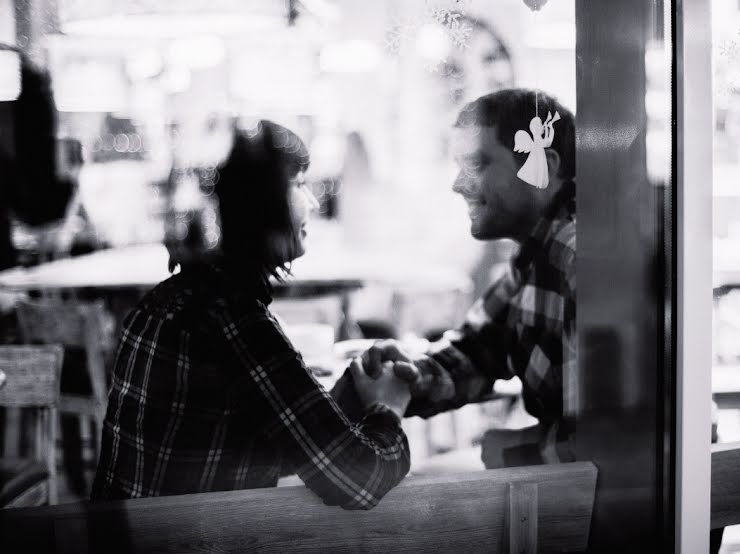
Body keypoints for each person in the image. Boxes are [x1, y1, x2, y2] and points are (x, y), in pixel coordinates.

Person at [91, 120, 411, 508]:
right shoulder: (236, 322)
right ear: (261, 203)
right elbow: (358, 479)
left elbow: (273, 439)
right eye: (299, 185)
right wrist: (388, 408)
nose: (311, 202)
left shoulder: (170, 299)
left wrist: (353, 390)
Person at [362, 88, 577, 469]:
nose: (458, 184)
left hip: (630, 513)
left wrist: (512, 449)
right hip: (577, 493)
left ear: (545, 166)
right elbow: (479, 349)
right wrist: (410, 375)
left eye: (476, 164)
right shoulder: (537, 253)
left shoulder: (577, 256)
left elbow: (623, 434)